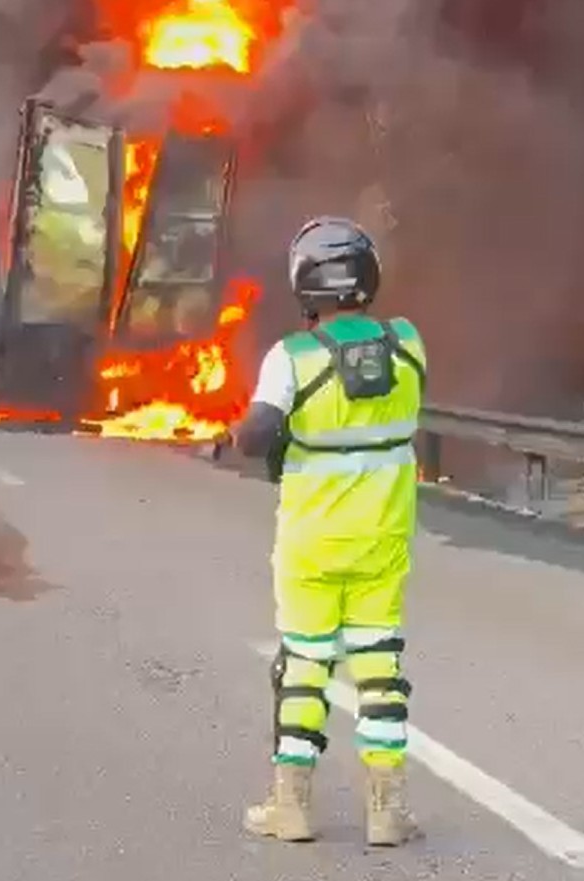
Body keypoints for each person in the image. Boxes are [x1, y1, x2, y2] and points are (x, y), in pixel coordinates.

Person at [229, 215, 426, 847]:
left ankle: (291, 805)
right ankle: (388, 811)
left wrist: (243, 435)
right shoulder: (409, 346)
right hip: (383, 541)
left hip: (313, 545)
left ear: (303, 283)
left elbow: (256, 435)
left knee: (306, 666)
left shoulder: (292, 358)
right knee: (379, 667)